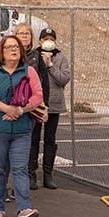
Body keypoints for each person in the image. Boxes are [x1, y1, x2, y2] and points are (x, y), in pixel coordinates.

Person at [0, 35, 44, 217]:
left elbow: (38, 96)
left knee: (20, 168)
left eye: (16, 46)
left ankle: (24, 208)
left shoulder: (29, 71)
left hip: (22, 130)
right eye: (9, 47)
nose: (13, 50)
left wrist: (20, 110)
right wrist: (6, 108)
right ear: (1, 52)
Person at [30, 27, 70, 189]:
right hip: (36, 104)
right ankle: (31, 172)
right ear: (40, 41)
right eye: (45, 38)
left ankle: (48, 174)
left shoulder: (60, 57)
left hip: (54, 104)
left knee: (50, 139)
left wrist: (51, 66)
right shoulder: (34, 55)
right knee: (34, 138)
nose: (48, 42)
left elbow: (63, 79)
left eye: (51, 39)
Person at [13, 23, 48, 189]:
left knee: (33, 139)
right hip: (12, 105)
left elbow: (44, 82)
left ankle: (31, 172)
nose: (24, 36)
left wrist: (44, 106)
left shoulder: (36, 55)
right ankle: (15, 173)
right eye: (20, 33)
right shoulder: (10, 53)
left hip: (31, 105)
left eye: (27, 33)